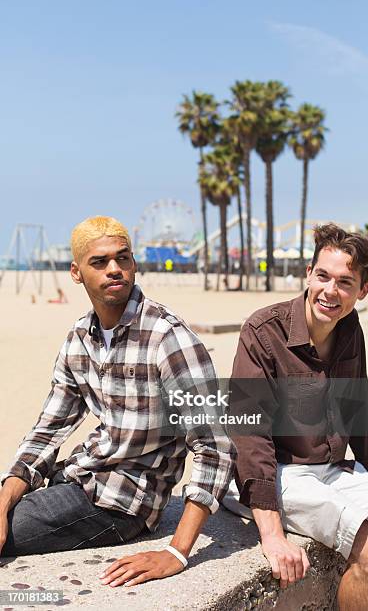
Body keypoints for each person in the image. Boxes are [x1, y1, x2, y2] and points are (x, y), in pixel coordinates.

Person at [0, 216, 235, 589]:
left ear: (134, 263)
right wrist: (5, 496)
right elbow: (48, 430)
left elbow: (215, 445)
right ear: (76, 273)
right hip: (81, 474)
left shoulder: (167, 338)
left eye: (122, 259)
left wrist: (177, 552)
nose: (115, 269)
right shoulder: (80, 338)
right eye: (100, 262)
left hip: (124, 502)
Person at [225, 223, 368, 610]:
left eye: (345, 282)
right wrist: (272, 535)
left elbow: (359, 407)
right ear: (308, 274)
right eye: (322, 276)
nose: (330, 290)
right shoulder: (263, 331)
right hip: (279, 473)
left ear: (362, 291)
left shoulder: (349, 327)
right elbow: (249, 432)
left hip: (331, 469)